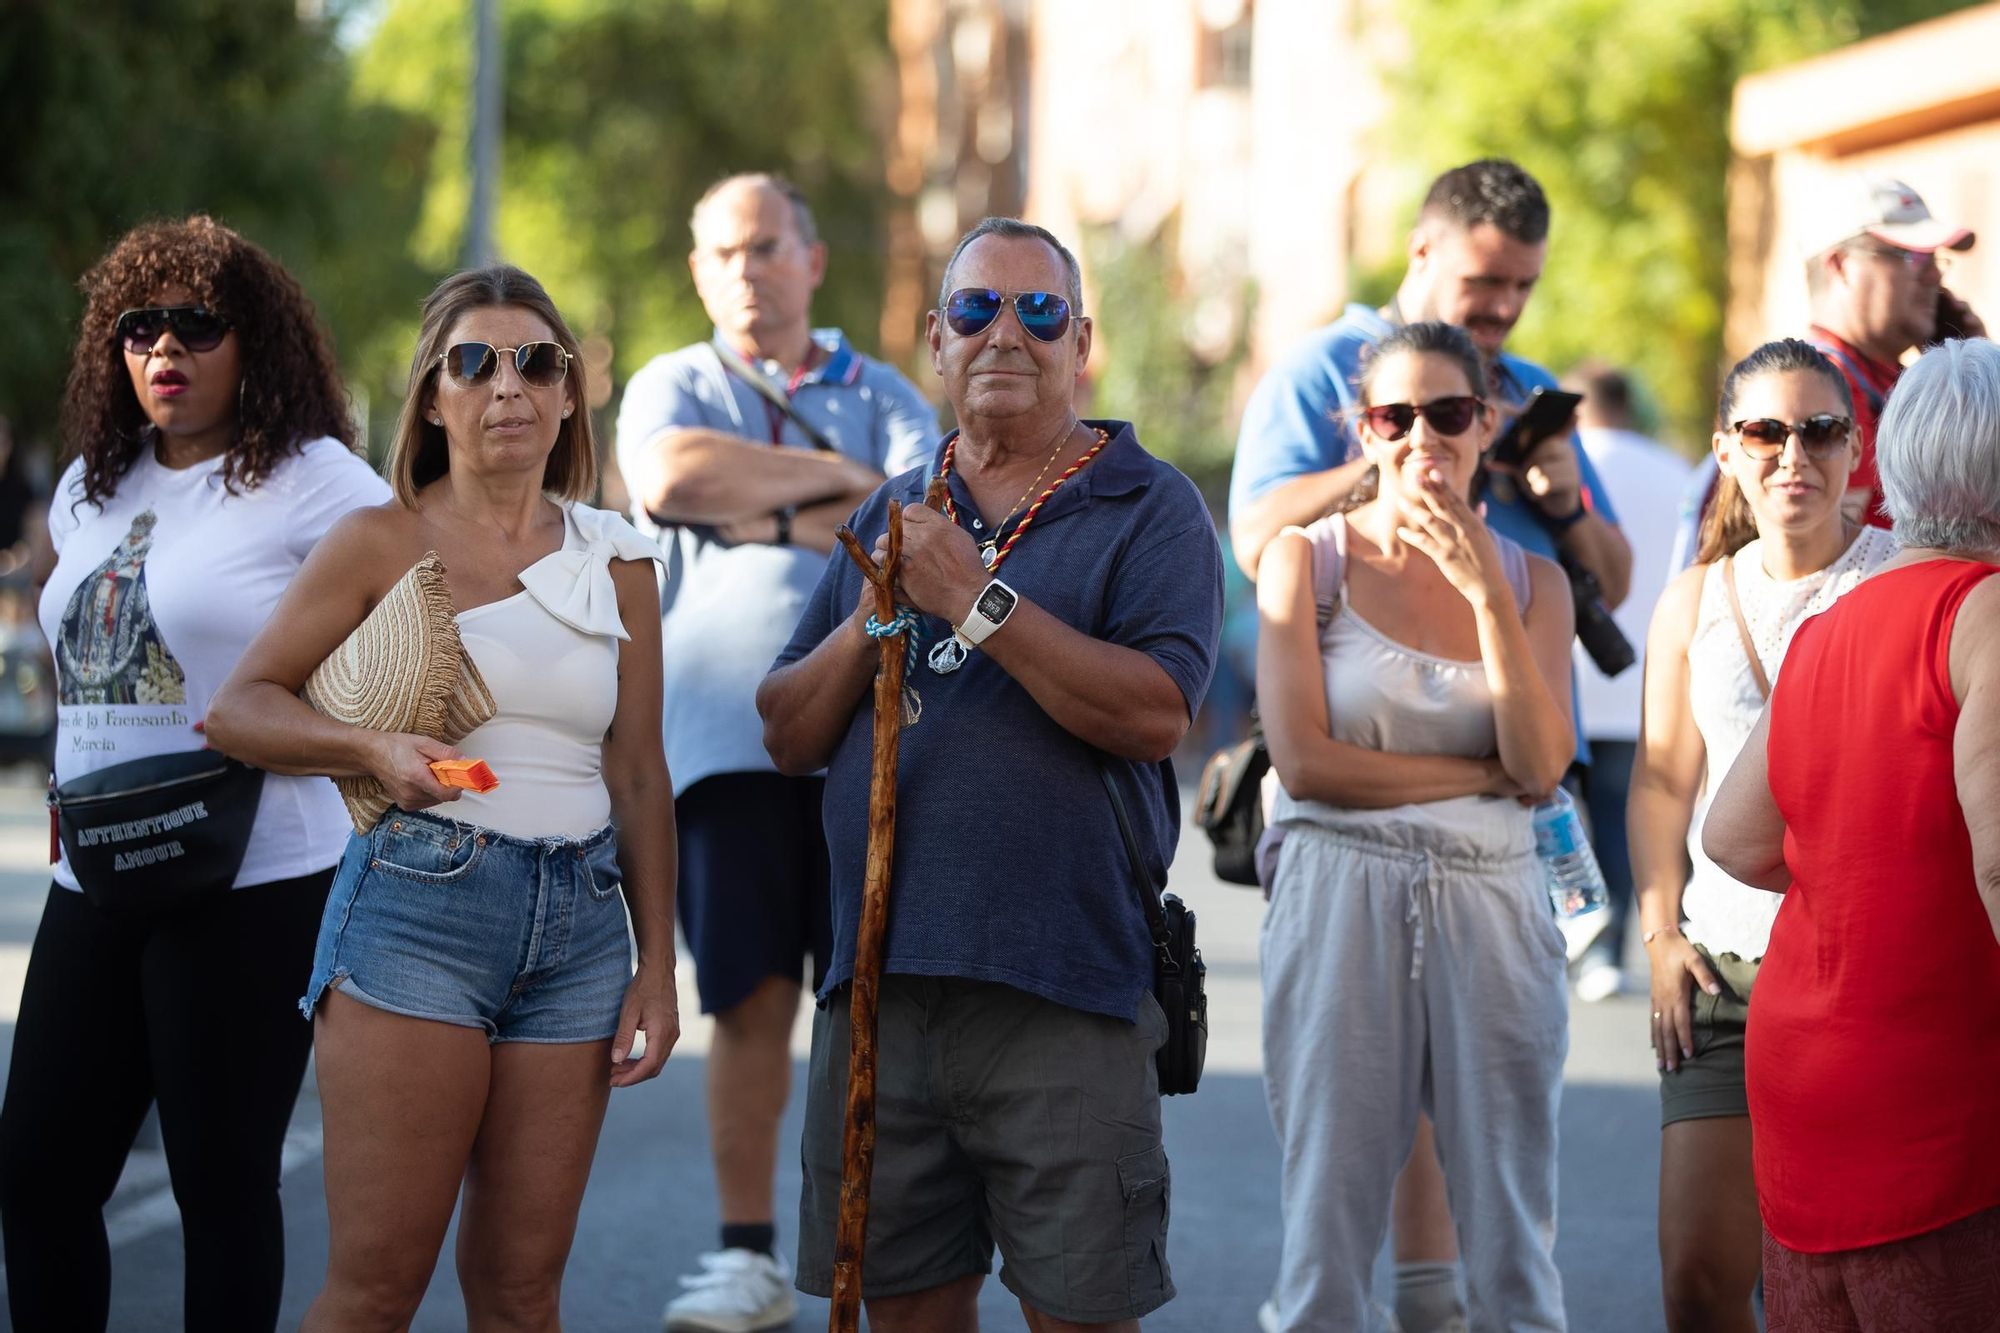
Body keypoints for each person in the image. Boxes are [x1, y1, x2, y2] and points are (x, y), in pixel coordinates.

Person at [758, 216, 1222, 1332]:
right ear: (936, 339)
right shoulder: (892, 511)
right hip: (881, 986)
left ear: (1081, 341)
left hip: (1065, 986)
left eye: (1038, 310)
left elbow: (1155, 713)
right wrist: (877, 606)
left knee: (1080, 1312)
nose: (1004, 333)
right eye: (975, 308)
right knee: (909, 1313)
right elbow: (783, 728)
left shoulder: (1148, 506)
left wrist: (975, 599)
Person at [204, 265, 680, 1330]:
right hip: (418, 909)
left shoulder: (620, 562)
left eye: (535, 363)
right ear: (432, 395)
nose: (505, 385)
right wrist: (367, 746)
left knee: (521, 1293)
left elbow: (640, 771)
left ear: (568, 395)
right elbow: (239, 708)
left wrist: (656, 967)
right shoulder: (380, 539)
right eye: (474, 362)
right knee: (375, 1291)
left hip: (580, 936)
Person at [1232, 157, 1626, 1333]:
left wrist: (1549, 504)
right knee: (1331, 1200)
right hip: (1353, 841)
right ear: (1420, 251)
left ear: (1488, 414)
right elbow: (1257, 534)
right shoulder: (1317, 370)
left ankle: (1433, 1306)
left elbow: (1601, 595)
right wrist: (1388, 468)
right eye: (1482, 280)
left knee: (1509, 1209)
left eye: (1520, 287)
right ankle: (1416, 1303)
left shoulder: (1530, 396)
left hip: (1500, 858)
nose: (1500, 306)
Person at [0, 215, 390, 1332]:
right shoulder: (92, 481)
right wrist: (73, 782)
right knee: (36, 1174)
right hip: (100, 871)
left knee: (219, 1188)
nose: (162, 347)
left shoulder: (316, 481)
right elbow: (80, 655)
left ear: (253, 339)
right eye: (137, 326)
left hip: (250, 878)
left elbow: (413, 632)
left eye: (194, 323)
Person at [614, 172, 935, 1332]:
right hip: (718, 743)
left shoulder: (885, 388)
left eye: (764, 247)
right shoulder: (671, 381)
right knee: (746, 997)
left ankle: (869, 1249)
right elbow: (666, 477)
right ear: (699, 272)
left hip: (873, 739)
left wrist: (774, 510)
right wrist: (839, 487)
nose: (745, 270)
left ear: (811, 260)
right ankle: (747, 1258)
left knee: (871, 1002)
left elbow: (916, 513)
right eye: (721, 253)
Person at [1256, 320, 1575, 1332]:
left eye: (1445, 413)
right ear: (1362, 428)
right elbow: (1304, 762)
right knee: (1326, 1222)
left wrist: (1484, 593)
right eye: (1394, 415)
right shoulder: (1305, 563)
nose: (1419, 438)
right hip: (1337, 887)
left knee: (1511, 1223)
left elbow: (1538, 763)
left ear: (1486, 421)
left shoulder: (1534, 585)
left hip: (1492, 896)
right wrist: (1473, 772)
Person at [1704, 337, 2000, 1333]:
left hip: (1803, 1071)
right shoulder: (1984, 612)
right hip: (1934, 1088)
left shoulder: (1829, 624)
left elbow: (1733, 840)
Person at [1627, 338, 1897, 1332]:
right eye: (1764, 430)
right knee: (1696, 1283)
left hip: (1863, 977)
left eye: (1819, 429)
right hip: (1721, 975)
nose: (1794, 452)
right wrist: (1658, 935)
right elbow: (1659, 781)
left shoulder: (1900, 586)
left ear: (1852, 444)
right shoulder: (1693, 599)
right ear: (1725, 449)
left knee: (1845, 1278)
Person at [1668, 176, 1983, 567]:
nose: (1935, 277)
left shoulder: (1885, 382)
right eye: (1910, 258)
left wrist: (1968, 374)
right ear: (1840, 265)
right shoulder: (1817, 395)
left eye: (1935, 261)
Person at [1563, 364, 1692, 1002]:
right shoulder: (1673, 469)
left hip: (1566, 680)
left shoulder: (1565, 467)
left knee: (1557, 819)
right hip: (1647, 681)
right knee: (1622, 822)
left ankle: (1573, 938)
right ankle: (1609, 949)